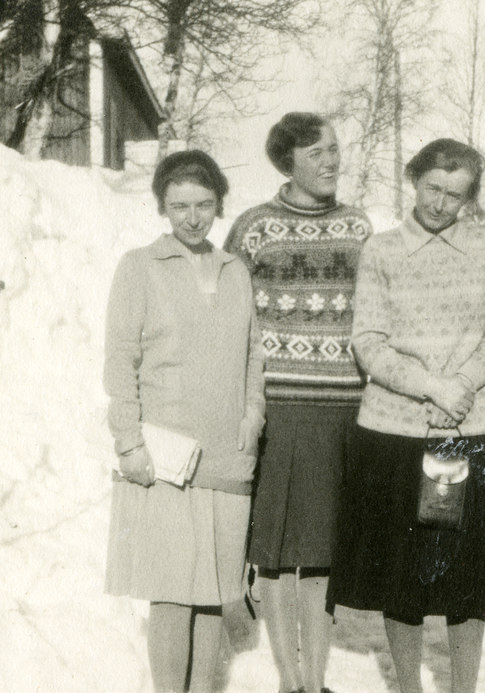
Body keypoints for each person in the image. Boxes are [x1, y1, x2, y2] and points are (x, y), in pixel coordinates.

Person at [327, 138, 485, 693]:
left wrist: (461, 386)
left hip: (472, 430)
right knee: (404, 578)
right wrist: (431, 388)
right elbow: (368, 341)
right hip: (397, 432)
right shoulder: (383, 251)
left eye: (456, 195)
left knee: (468, 579)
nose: (442, 204)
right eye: (433, 189)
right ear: (414, 180)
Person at [103, 150, 265, 693]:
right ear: (162, 208)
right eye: (179, 206)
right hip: (167, 455)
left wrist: (253, 416)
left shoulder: (235, 271)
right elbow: (119, 360)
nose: (192, 217)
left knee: (215, 589)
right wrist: (129, 443)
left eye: (202, 205)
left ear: (219, 204)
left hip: (227, 453)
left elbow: (252, 356)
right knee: (172, 590)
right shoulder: (139, 267)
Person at [223, 112, 372, 693]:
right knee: (280, 556)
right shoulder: (255, 228)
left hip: (342, 411)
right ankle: (290, 683)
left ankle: (317, 681)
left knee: (324, 555)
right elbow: (228, 322)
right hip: (278, 411)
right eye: (316, 153)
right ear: (287, 163)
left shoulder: (359, 227)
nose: (331, 161)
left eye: (334, 149)